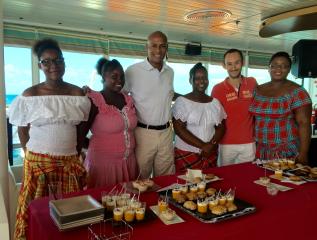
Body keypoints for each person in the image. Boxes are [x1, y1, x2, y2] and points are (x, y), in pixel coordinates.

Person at [8, 39, 91, 240]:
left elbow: (80, 128)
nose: (53, 65)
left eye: (57, 60)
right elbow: (22, 129)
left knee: (70, 211)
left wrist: (75, 152)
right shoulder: (30, 95)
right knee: (38, 212)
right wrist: (30, 157)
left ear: (64, 62)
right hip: (38, 164)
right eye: (46, 62)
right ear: (40, 66)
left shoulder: (77, 94)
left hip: (69, 162)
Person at [81, 58, 138, 188]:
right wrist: (97, 148)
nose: (119, 80)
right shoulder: (94, 101)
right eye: (114, 76)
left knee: (128, 205)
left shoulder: (128, 100)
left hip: (128, 163)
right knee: (103, 203)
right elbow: (79, 134)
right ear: (103, 78)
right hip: (102, 166)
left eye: (122, 76)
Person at [125, 31, 175, 178]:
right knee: (141, 178)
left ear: (167, 48)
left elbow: (168, 95)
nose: (158, 51)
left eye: (162, 46)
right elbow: (119, 95)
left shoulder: (169, 72)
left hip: (166, 133)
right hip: (143, 134)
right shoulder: (132, 71)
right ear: (146, 47)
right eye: (154, 46)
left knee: (166, 178)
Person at [249, 51, 312, 164]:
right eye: (275, 65)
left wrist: (303, 153)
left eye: (284, 66)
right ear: (269, 68)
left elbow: (304, 123)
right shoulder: (258, 90)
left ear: (289, 69)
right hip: (262, 150)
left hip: (287, 150)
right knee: (263, 181)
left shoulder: (297, 92)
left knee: (284, 181)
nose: (279, 69)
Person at [172, 63, 226, 173]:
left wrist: (211, 144)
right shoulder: (182, 102)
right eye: (197, 78)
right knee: (186, 187)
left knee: (209, 186)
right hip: (187, 153)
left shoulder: (215, 103)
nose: (201, 81)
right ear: (190, 80)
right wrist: (203, 146)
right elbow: (179, 129)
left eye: (204, 78)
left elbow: (221, 127)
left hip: (210, 153)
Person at [211, 49, 257, 166]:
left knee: (247, 178)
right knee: (225, 178)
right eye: (229, 64)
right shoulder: (217, 89)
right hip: (226, 144)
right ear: (224, 65)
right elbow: (214, 119)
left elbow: (259, 108)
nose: (233, 67)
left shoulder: (252, 83)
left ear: (242, 63)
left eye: (237, 63)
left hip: (249, 143)